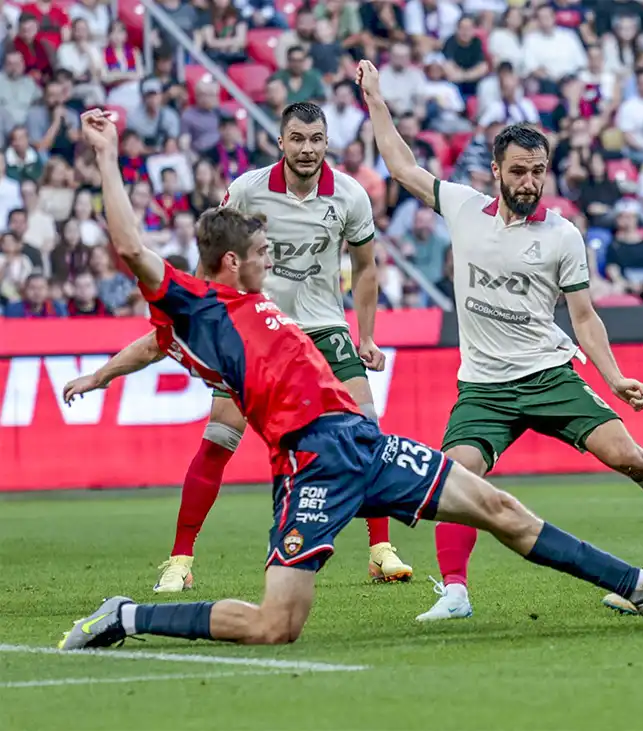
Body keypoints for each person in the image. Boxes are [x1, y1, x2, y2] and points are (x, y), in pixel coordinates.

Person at [58, 109, 643, 651]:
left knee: (502, 510)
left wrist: (101, 373)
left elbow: (151, 346)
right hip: (311, 465)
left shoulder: (235, 310)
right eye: (264, 254)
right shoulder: (199, 304)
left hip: (363, 444)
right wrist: (109, 156)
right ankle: (128, 615)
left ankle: (641, 585)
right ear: (232, 260)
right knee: (276, 625)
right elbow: (133, 252)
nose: (276, 259)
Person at [356, 59, 643, 622]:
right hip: (484, 388)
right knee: (457, 476)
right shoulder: (461, 207)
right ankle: (454, 592)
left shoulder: (562, 235)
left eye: (538, 172)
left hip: (550, 376)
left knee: (629, 457)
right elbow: (402, 166)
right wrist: (377, 99)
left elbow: (585, 316)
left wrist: (615, 376)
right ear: (497, 172)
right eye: (520, 171)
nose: (529, 182)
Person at [65, 102, 410, 594]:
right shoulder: (248, 190)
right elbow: (216, 250)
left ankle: (379, 550)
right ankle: (180, 560)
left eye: (315, 138)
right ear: (281, 142)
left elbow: (367, 268)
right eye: (297, 138)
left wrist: (367, 335)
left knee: (366, 429)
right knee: (220, 439)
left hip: (322, 328)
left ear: (327, 141)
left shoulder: (350, 196)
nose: (307, 148)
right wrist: (206, 309)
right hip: (256, 333)